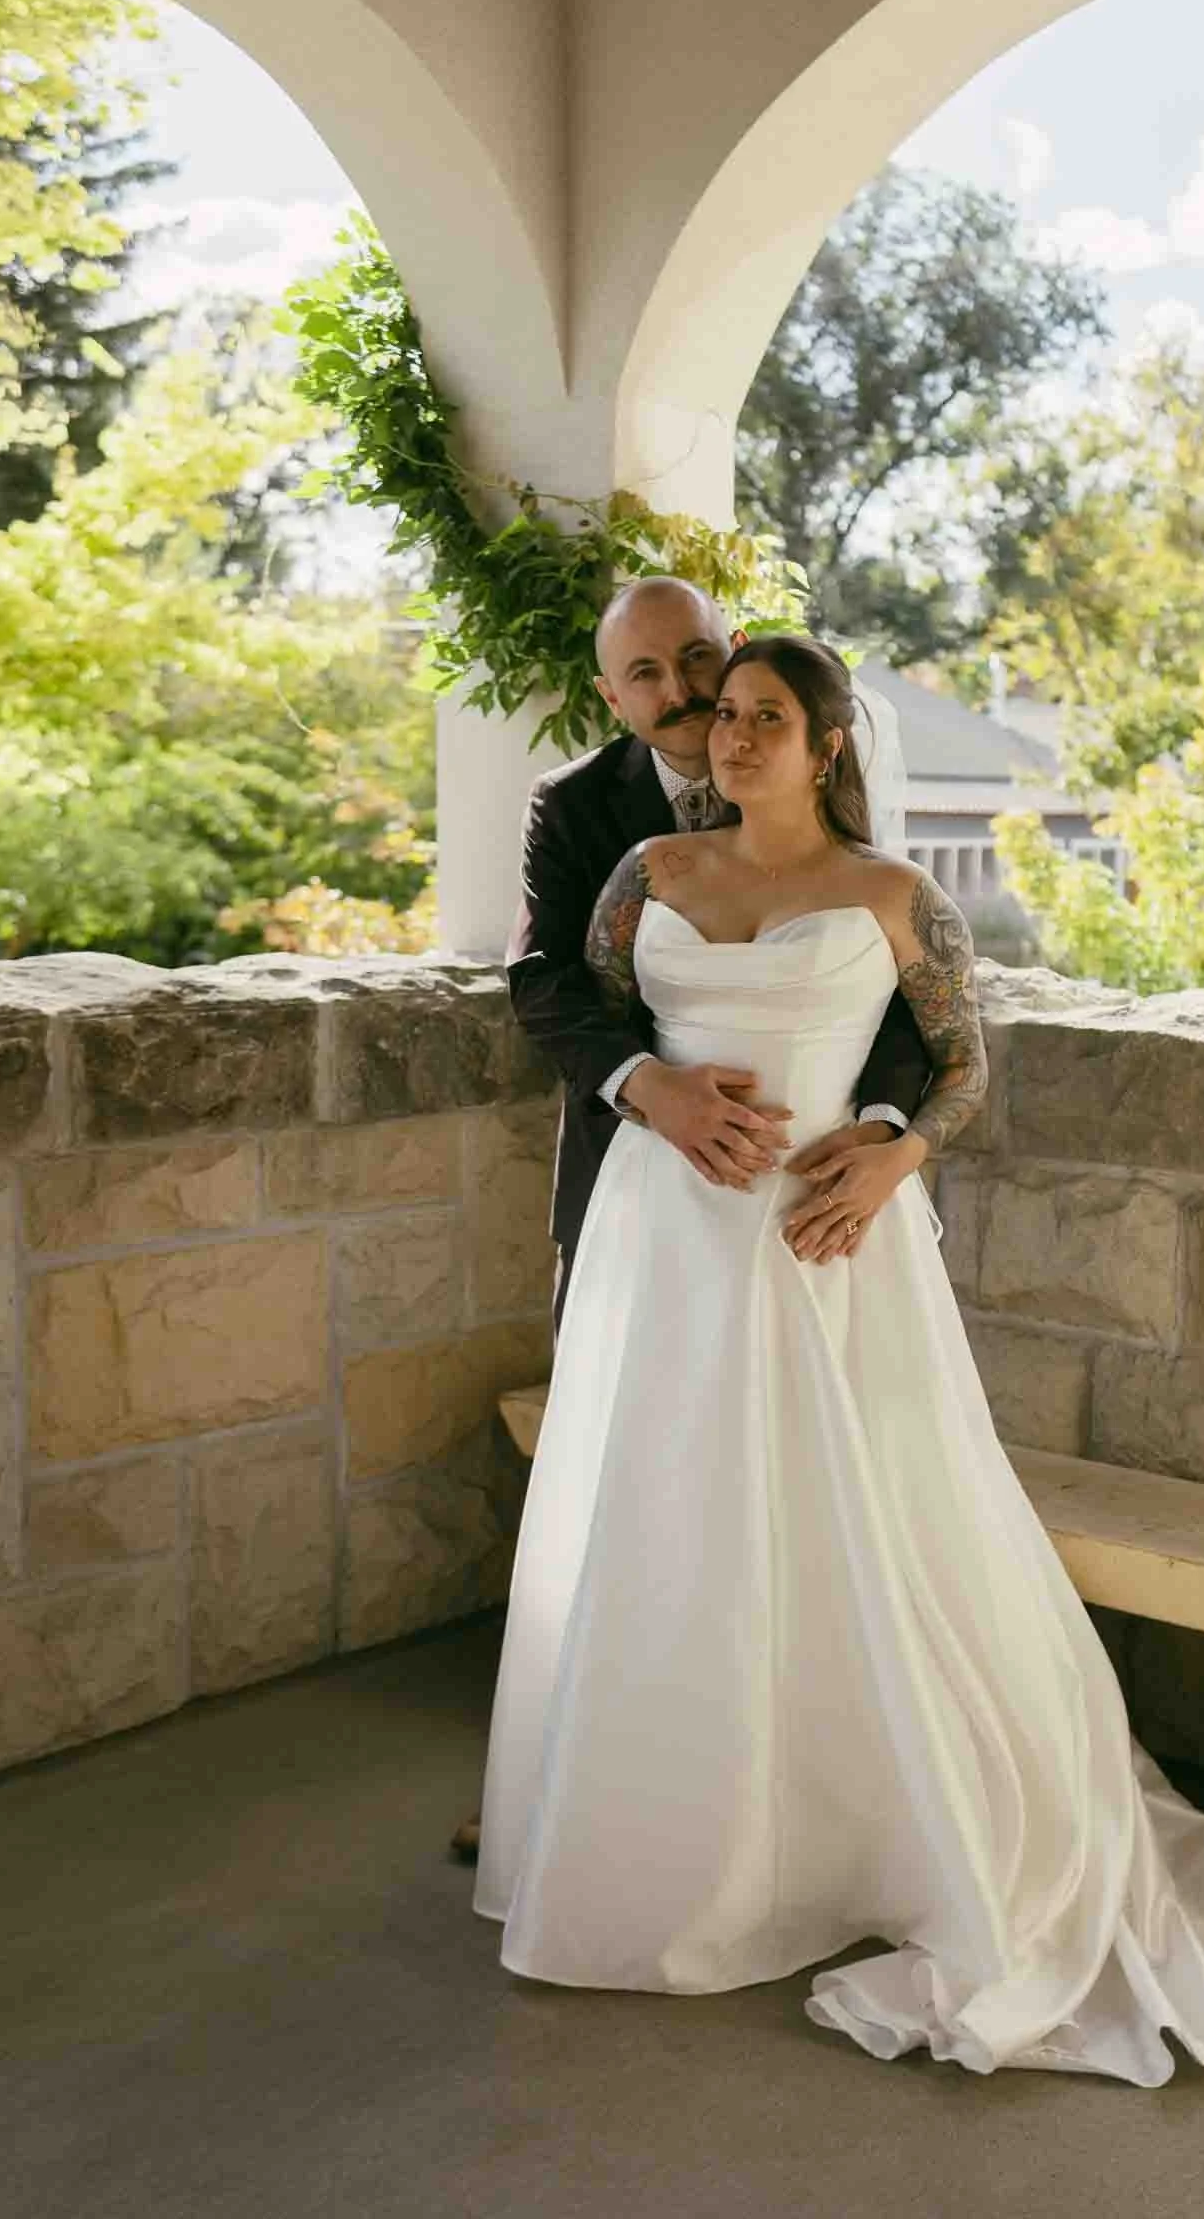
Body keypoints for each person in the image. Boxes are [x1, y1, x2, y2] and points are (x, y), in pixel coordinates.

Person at [470, 634, 1204, 2083]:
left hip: (826, 1246)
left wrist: (891, 1153)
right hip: (662, 1236)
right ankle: (662, 1840)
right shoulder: (645, 877)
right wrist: (658, 1086)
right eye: (725, 715)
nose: (734, 736)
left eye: (767, 717)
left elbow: (963, 1063)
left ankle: (860, 1824)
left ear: (826, 745)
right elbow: (592, 1012)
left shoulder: (894, 894)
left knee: (851, 1523)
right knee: (663, 1511)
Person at [448, 578, 929, 1859]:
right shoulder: (583, 814)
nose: (685, 696)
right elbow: (545, 979)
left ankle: (807, 1790)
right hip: (641, 1198)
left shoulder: (857, 855)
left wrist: (885, 1141)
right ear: (612, 695)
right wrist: (644, 1081)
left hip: (812, 1221)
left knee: (809, 1501)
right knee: (624, 1491)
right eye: (647, 676)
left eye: (698, 662)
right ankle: (571, 1775)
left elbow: (907, 1022)